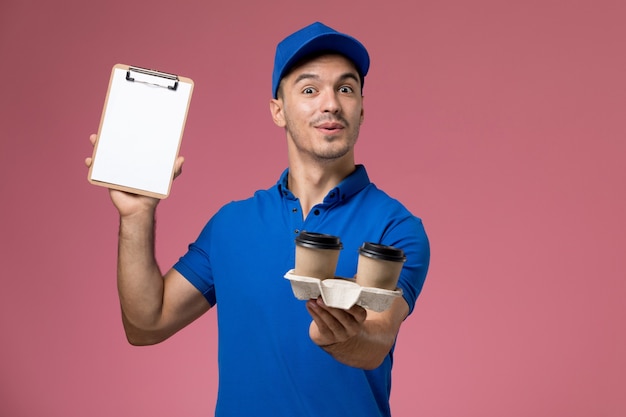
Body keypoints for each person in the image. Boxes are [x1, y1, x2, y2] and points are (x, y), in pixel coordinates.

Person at [86, 21, 430, 417]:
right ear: (278, 111)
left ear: (361, 110)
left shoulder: (397, 227)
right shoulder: (231, 225)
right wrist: (137, 216)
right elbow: (146, 325)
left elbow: (376, 340)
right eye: (309, 89)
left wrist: (344, 336)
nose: (331, 103)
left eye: (346, 88)